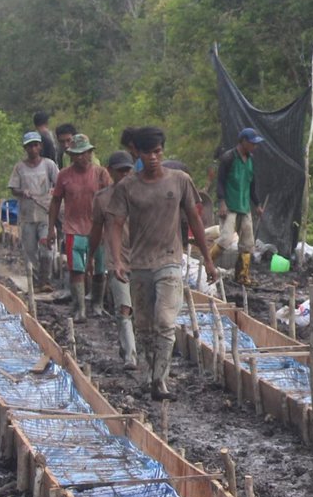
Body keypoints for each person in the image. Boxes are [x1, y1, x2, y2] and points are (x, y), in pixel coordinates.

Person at [104, 126, 216, 399]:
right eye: (148, 153)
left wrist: (208, 259)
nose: (153, 157)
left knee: (165, 321)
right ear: (138, 154)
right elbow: (115, 224)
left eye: (157, 152)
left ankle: (160, 380)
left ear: (162, 151)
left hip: (169, 261)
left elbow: (195, 220)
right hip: (140, 263)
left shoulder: (179, 181)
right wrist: (117, 260)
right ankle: (149, 374)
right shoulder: (128, 187)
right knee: (144, 325)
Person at [48, 134, 111, 321]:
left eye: (85, 153)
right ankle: (79, 308)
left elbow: (111, 199)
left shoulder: (100, 174)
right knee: (76, 269)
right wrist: (51, 228)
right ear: (71, 156)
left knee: (99, 268)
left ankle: (97, 304)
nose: (81, 157)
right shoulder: (64, 175)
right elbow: (55, 201)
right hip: (73, 228)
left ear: (90, 153)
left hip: (97, 228)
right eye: (77, 154)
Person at [89, 150, 140, 368]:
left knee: (141, 310)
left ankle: (136, 348)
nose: (125, 175)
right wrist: (91, 256)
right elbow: (96, 230)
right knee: (123, 308)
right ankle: (130, 355)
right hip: (116, 260)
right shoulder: (102, 199)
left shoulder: (142, 195)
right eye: (120, 171)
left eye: (128, 170)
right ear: (110, 171)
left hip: (142, 259)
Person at [212, 128, 266, 286]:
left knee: (247, 243)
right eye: (252, 143)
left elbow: (252, 185)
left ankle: (242, 276)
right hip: (230, 205)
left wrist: (257, 204)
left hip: (244, 206)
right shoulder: (228, 158)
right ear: (243, 141)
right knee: (226, 239)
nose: (255, 146)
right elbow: (220, 182)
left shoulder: (250, 160)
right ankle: (206, 265)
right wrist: (222, 202)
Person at [8, 131, 59, 292]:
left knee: (46, 248)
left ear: (40, 146)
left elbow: (59, 183)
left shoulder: (49, 165)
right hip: (28, 215)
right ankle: (37, 281)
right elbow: (13, 188)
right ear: (25, 148)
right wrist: (22, 192)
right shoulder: (20, 168)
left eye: (35, 145)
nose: (33, 149)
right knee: (30, 250)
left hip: (46, 214)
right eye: (29, 146)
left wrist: (53, 191)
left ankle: (46, 280)